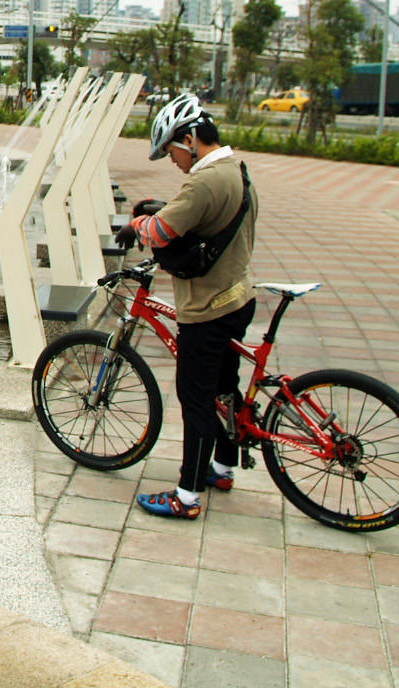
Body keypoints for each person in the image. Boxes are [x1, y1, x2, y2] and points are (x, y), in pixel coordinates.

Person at [115, 94, 259, 519]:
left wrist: (137, 224)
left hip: (209, 310)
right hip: (238, 298)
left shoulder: (204, 180)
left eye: (172, 151)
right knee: (223, 392)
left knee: (195, 401)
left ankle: (187, 496)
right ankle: (223, 466)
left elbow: (161, 230)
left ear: (192, 139)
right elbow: (201, 216)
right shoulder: (236, 170)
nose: (172, 161)